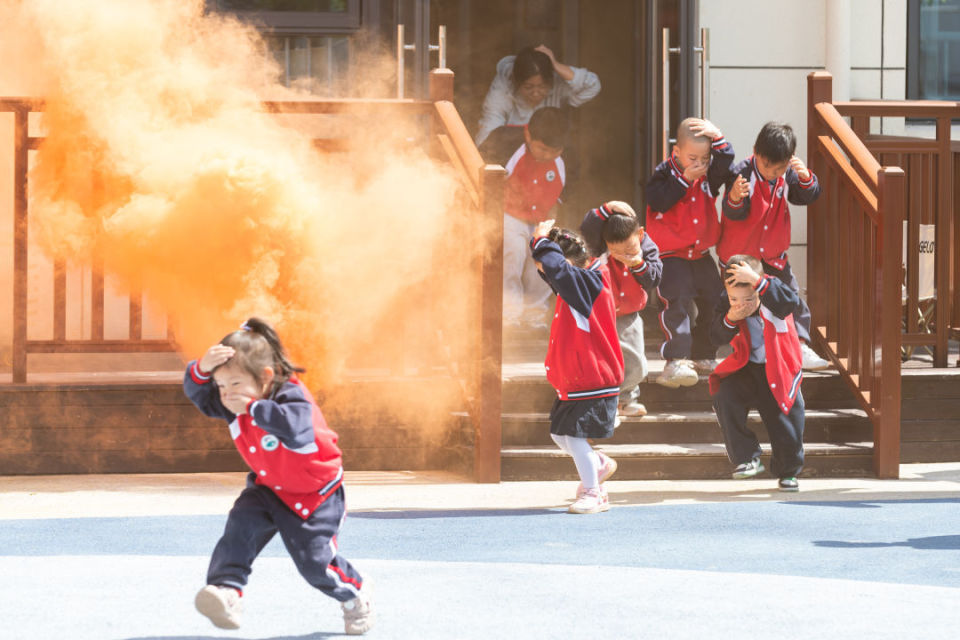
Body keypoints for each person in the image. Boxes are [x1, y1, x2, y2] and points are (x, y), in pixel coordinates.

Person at [183, 318, 373, 635]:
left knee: (314, 563)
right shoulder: (235, 401)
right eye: (221, 386)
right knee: (239, 530)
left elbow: (296, 429)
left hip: (315, 496)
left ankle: (355, 596)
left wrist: (253, 408)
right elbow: (199, 395)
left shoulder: (292, 398)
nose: (227, 395)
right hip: (269, 488)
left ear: (266, 378)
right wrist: (201, 370)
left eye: (235, 385)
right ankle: (228, 591)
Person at [719, 121, 830, 371]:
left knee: (790, 297)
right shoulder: (742, 172)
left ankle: (799, 345)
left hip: (773, 254)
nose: (771, 172)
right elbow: (733, 212)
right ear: (755, 152)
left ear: (789, 161)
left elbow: (805, 196)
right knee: (742, 303)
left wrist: (805, 178)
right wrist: (735, 198)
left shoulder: (788, 172)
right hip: (741, 256)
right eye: (766, 165)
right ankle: (746, 350)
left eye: (778, 169)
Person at [531, 220, 623, 514]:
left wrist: (541, 241)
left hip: (594, 377)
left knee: (573, 437)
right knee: (560, 434)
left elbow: (557, 271)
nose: (543, 269)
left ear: (567, 262)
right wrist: (541, 246)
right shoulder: (581, 283)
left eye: (544, 263)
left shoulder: (588, 283)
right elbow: (556, 274)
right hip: (578, 379)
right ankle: (597, 464)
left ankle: (594, 492)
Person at [645, 117, 734, 388]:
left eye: (705, 157)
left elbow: (725, 163)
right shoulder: (664, 174)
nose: (699, 163)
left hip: (701, 253)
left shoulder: (709, 173)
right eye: (692, 157)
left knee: (717, 300)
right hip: (671, 255)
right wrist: (685, 179)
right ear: (676, 153)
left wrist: (718, 138)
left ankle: (704, 354)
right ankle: (676, 360)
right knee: (677, 303)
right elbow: (659, 200)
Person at [709, 255, 804, 492]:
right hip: (747, 366)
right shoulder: (727, 301)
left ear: (759, 286)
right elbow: (714, 335)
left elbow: (790, 303)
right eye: (734, 298)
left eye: (749, 298)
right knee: (725, 393)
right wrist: (731, 318)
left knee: (786, 419)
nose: (742, 303)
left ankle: (788, 471)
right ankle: (747, 457)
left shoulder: (773, 289)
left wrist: (757, 281)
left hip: (779, 365)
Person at [580, 201, 663, 417]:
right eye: (616, 251)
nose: (623, 255)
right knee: (601, 359)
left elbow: (653, 279)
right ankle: (606, 402)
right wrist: (606, 209)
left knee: (633, 358)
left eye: (630, 249)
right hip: (600, 313)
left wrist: (637, 263)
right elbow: (587, 228)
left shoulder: (648, 248)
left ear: (640, 234)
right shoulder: (599, 247)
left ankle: (627, 398)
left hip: (630, 313)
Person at [502, 106, 568, 329]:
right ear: (528, 134)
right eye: (542, 149)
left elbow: (561, 198)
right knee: (513, 253)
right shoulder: (511, 150)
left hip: (541, 219)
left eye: (554, 151)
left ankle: (534, 314)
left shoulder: (562, 162)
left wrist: (549, 230)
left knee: (545, 258)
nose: (547, 155)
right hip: (509, 214)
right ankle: (509, 314)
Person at [475, 44, 601, 147]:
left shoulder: (558, 84)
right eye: (528, 87)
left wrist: (555, 64)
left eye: (542, 87)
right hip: (512, 153)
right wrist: (485, 159)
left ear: (551, 81)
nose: (535, 93)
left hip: (549, 152)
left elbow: (592, 85)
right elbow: (490, 126)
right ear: (516, 82)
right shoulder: (503, 87)